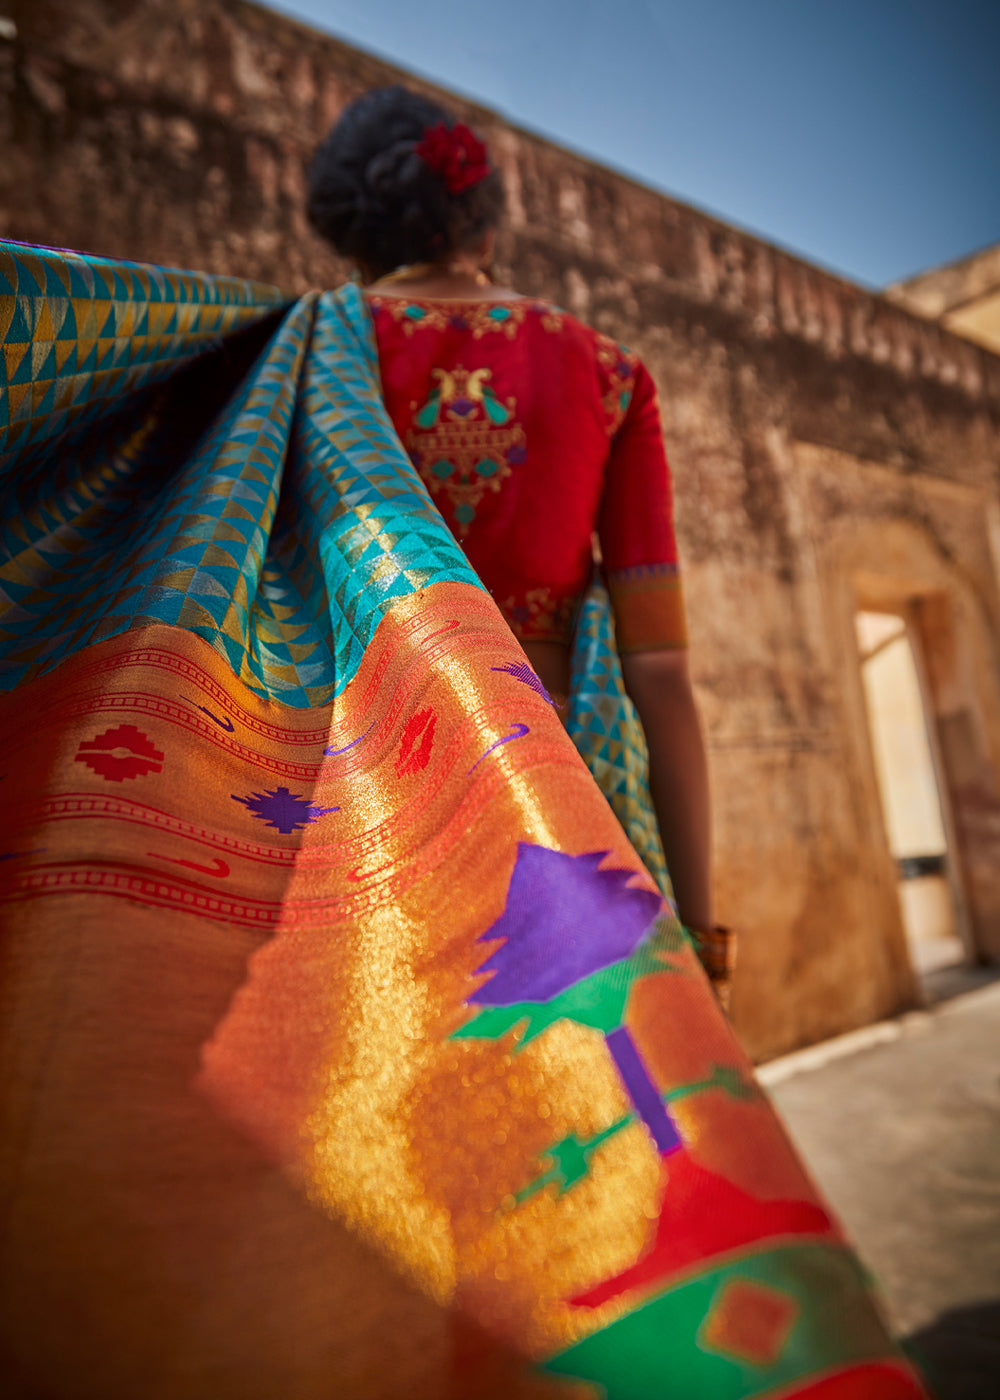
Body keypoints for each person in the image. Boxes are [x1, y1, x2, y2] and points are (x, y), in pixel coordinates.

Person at [306, 85, 717, 944]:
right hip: (562, 795)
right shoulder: (610, 376)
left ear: (350, 235)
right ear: (484, 223)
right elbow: (661, 676)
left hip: (367, 792)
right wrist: (706, 937)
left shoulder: (312, 356)